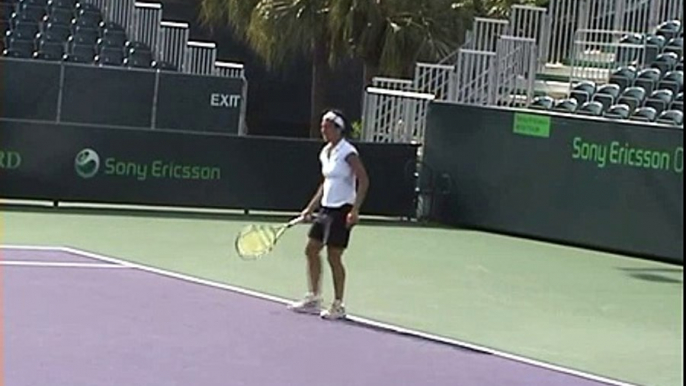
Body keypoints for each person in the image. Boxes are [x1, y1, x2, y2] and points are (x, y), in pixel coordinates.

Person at [288, 109, 370, 320]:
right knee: (311, 249)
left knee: (334, 256)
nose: (322, 129)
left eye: (327, 125)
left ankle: (339, 304)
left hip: (342, 209)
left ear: (338, 128)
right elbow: (326, 184)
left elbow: (364, 180)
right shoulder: (325, 152)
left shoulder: (348, 152)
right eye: (322, 126)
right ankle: (314, 297)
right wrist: (310, 208)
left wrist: (355, 209)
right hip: (325, 209)